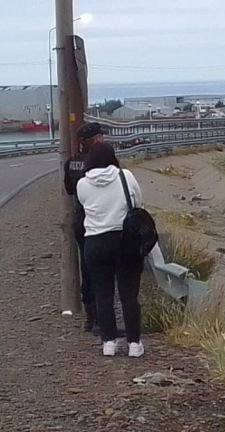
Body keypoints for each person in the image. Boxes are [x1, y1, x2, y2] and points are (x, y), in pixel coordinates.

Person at [77, 143, 145, 358]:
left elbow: (84, 205)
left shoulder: (82, 184)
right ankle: (134, 344)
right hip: (124, 240)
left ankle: (109, 342)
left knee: (102, 294)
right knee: (129, 295)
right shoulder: (125, 176)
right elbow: (138, 202)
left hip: (95, 243)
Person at [64, 122, 104, 334]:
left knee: (86, 270)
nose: (102, 141)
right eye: (99, 138)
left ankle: (91, 319)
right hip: (100, 221)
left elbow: (69, 190)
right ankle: (102, 319)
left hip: (81, 220)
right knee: (103, 271)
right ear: (94, 140)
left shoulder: (71, 162)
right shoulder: (100, 163)